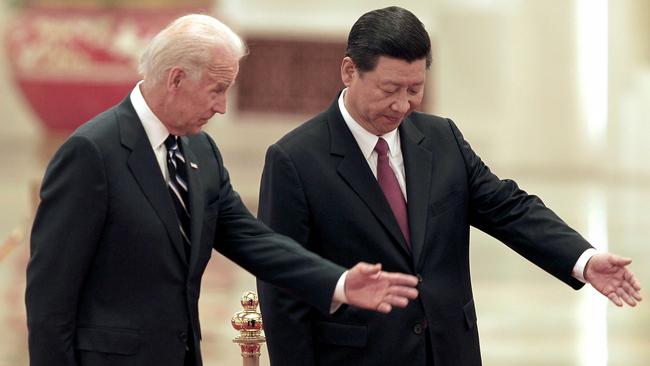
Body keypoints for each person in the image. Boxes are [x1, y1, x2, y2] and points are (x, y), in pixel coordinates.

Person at [24, 14, 421, 366]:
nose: (222, 107)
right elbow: (49, 298)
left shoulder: (200, 150)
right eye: (217, 89)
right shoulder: (92, 152)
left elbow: (251, 239)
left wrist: (338, 282)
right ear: (176, 79)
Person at [256, 6, 642, 366]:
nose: (402, 105)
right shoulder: (295, 160)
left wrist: (584, 259)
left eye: (414, 89)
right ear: (348, 71)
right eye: (389, 89)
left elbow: (509, 207)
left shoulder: (441, 139)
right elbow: (283, 290)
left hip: (449, 350)